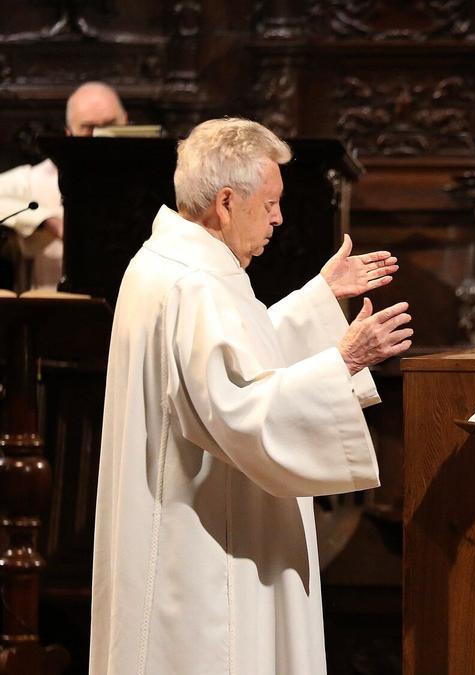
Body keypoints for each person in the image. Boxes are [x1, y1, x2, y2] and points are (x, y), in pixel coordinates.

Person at [90, 118, 412, 674]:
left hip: (179, 525)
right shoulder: (196, 284)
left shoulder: (168, 263)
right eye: (269, 204)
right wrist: (345, 360)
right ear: (225, 202)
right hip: (203, 553)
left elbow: (236, 357)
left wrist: (319, 296)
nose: (278, 218)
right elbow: (238, 409)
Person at [0, 81, 128, 290]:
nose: (100, 137)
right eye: (88, 128)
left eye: (110, 125)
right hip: (52, 310)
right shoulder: (37, 179)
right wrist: (47, 220)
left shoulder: (152, 176)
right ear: (69, 133)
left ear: (126, 122)